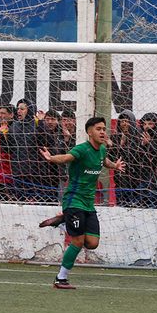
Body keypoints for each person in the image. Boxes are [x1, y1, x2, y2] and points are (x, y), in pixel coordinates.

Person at [40, 117, 125, 289]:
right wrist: (51, 158)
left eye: (104, 129)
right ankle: (61, 278)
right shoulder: (81, 149)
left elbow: (104, 161)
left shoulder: (101, 150)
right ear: (89, 132)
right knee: (78, 241)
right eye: (99, 129)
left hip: (88, 203)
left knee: (92, 243)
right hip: (74, 200)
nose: (103, 132)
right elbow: (66, 158)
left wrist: (114, 166)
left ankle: (65, 219)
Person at [1, 99, 42, 200]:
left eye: (22, 109)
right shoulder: (14, 126)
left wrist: (40, 124)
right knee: (20, 200)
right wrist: (3, 135)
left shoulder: (37, 124)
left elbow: (44, 143)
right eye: (18, 109)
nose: (18, 111)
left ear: (30, 110)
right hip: (17, 172)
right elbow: (7, 150)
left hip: (35, 173)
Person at [109, 109, 141, 207]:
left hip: (136, 179)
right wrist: (113, 146)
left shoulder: (139, 137)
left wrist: (122, 146)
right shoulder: (115, 138)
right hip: (120, 179)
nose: (124, 124)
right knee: (121, 205)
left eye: (127, 121)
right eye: (122, 121)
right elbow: (111, 158)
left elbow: (135, 156)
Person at [137, 112, 157, 209]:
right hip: (143, 181)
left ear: (156, 124)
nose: (147, 127)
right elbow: (137, 158)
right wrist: (143, 145)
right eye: (145, 124)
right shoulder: (139, 137)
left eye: (150, 124)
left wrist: (149, 144)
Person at [36, 109, 68, 202]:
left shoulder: (63, 134)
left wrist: (67, 139)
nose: (50, 122)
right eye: (47, 119)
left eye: (53, 119)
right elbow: (45, 139)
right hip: (42, 173)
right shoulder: (40, 132)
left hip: (59, 174)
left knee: (58, 200)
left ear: (58, 121)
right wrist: (41, 122)